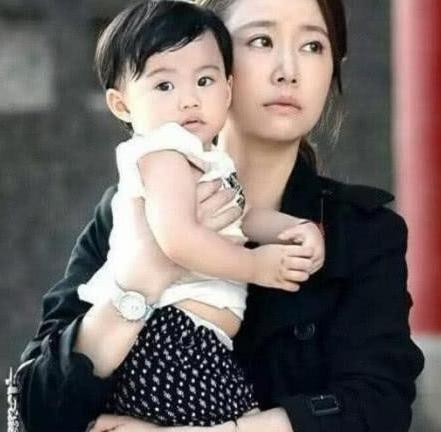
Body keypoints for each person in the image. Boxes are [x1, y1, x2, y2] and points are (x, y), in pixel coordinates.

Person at [19, 0, 424, 431]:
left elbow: (379, 406)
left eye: (312, 46)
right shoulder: (129, 208)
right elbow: (38, 407)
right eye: (261, 41)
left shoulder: (361, 232)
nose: (288, 71)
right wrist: (141, 280)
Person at [75, 0, 324, 427]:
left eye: (204, 81)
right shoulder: (164, 154)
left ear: (227, 90)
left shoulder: (204, 159)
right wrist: (256, 266)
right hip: (171, 338)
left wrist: (292, 228)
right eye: (164, 86)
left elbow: (237, 215)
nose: (189, 99)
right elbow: (178, 239)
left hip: (192, 340)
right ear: (121, 104)